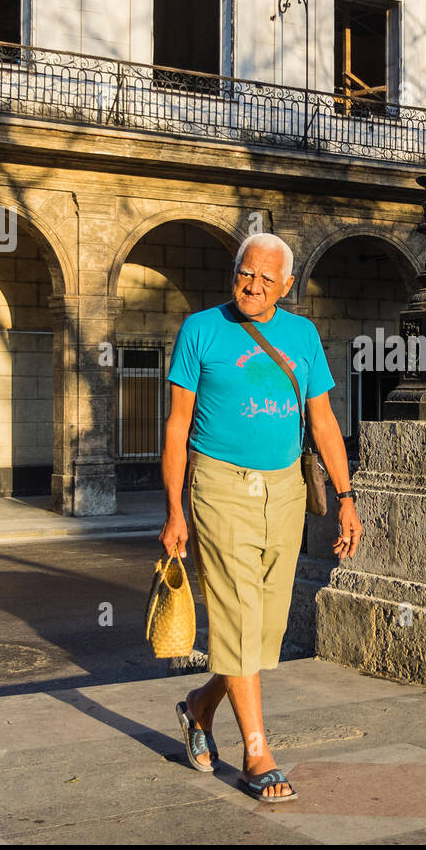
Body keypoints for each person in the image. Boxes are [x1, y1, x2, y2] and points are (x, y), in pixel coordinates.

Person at [160, 233, 363, 802]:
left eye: (265, 280)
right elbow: (177, 426)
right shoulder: (200, 329)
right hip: (219, 485)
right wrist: (174, 509)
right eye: (245, 274)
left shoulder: (302, 336)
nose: (251, 286)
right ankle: (257, 752)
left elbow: (323, 420)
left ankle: (200, 706)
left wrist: (346, 497)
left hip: (286, 491)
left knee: (266, 628)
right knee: (240, 616)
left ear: (287, 286)